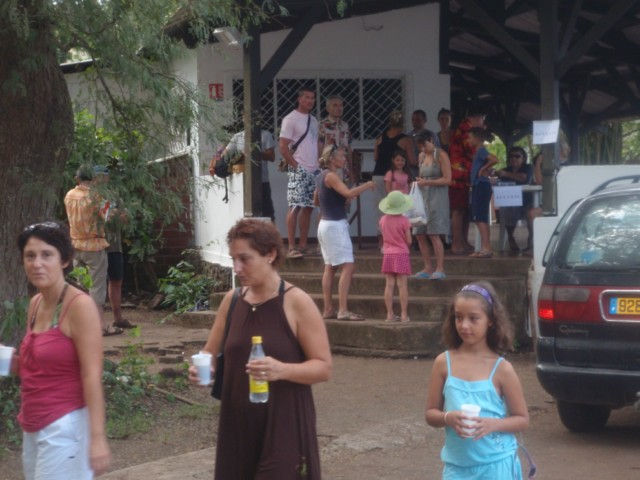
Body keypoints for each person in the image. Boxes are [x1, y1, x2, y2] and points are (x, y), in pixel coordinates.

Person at [189, 218, 332, 479]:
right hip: (238, 423)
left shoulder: (296, 302)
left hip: (284, 423)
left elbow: (323, 368)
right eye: (233, 259)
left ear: (270, 254)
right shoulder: (232, 301)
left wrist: (282, 370)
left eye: (245, 259)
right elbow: (209, 352)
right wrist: (204, 366)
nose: (237, 268)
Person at [12, 221, 111, 478]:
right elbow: (31, 365)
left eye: (47, 255)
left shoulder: (79, 306)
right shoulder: (35, 304)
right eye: (30, 256)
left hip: (65, 426)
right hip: (33, 423)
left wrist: (97, 438)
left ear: (64, 260)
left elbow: (92, 375)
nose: (37, 263)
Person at [425, 281, 529, 479]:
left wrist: (492, 424)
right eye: (459, 317)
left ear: (490, 320)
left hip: (496, 465)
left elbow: (522, 419)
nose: (464, 325)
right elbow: (430, 414)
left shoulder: (502, 369)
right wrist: (448, 418)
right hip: (457, 467)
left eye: (473, 319)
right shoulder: (443, 363)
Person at [314, 145, 375, 320]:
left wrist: (339, 199)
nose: (344, 159)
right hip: (334, 225)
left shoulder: (321, 176)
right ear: (332, 159)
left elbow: (316, 199)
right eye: (341, 156)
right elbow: (348, 192)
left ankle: (328, 309)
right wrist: (366, 185)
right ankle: (342, 310)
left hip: (325, 224)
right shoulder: (332, 176)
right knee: (348, 266)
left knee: (330, 267)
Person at [64, 164, 121, 336]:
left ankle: (82, 325)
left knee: (81, 287)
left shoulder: (69, 195)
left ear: (77, 179)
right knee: (97, 288)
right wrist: (116, 210)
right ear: (93, 179)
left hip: (75, 245)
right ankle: (100, 326)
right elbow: (108, 215)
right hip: (94, 246)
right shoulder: (96, 196)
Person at [279, 87, 320, 258]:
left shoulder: (314, 120)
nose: (310, 100)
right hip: (299, 168)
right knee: (295, 206)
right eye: (307, 97)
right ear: (299, 99)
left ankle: (303, 245)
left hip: (314, 168)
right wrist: (295, 165)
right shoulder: (290, 119)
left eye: (312, 98)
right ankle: (291, 247)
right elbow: (283, 146)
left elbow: (315, 143)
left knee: (309, 207)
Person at [373, 110, 416, 244]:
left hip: (378, 175)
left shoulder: (380, 137)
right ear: (403, 124)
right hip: (395, 177)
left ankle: (382, 242)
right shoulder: (406, 139)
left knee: (381, 209)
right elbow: (412, 160)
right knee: (399, 209)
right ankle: (399, 239)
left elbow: (375, 157)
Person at [217, 126, 277, 221]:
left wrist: (255, 153)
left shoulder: (266, 135)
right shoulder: (238, 137)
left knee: (268, 213)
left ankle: (272, 235)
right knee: (247, 214)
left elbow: (272, 156)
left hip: (262, 180)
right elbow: (225, 155)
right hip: (243, 182)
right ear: (244, 119)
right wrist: (238, 155)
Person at [448, 107, 486, 255]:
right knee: (458, 210)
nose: (483, 122)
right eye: (483, 119)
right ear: (477, 117)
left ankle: (463, 241)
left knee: (463, 210)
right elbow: (473, 150)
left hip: (464, 175)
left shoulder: (464, 128)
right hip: (459, 175)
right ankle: (456, 243)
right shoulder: (466, 130)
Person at [413, 133, 451, 279]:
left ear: (431, 141)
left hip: (437, 197)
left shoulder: (441, 155)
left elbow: (448, 179)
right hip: (423, 197)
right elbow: (423, 176)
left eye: (425, 145)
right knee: (420, 234)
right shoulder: (421, 156)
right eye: (420, 146)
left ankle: (440, 268)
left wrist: (428, 182)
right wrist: (419, 182)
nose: (423, 148)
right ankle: (427, 267)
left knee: (434, 233)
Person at [378, 190, 413, 323]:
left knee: (389, 284)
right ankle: (404, 315)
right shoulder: (404, 221)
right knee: (402, 285)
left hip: (388, 254)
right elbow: (409, 240)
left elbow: (383, 235)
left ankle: (389, 314)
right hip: (401, 253)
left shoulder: (382, 220)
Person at [468, 128, 498, 258]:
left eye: (470, 137)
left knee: (480, 217)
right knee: (480, 217)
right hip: (478, 185)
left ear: (477, 138)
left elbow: (494, 159)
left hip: (481, 185)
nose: (468, 140)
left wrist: (483, 169)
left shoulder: (481, 150)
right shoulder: (478, 152)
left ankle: (487, 247)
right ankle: (484, 247)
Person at [496, 147, 533, 253]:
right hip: (511, 202)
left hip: (527, 202)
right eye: (511, 156)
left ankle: (531, 241)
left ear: (524, 158)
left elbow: (524, 178)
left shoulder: (528, 167)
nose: (514, 158)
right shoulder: (505, 169)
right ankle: (510, 237)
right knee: (506, 209)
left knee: (531, 213)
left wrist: (506, 174)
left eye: (517, 156)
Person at [318, 95, 353, 185]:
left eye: (341, 105)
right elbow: (319, 149)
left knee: (345, 197)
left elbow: (348, 148)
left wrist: (352, 170)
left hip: (345, 170)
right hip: (329, 170)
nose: (339, 108)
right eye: (335, 105)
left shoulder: (345, 126)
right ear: (327, 108)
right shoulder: (322, 126)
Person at [407, 109, 438, 176]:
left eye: (418, 120)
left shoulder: (432, 135)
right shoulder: (408, 136)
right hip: (412, 174)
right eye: (413, 120)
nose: (415, 122)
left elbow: (436, 153)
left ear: (425, 120)